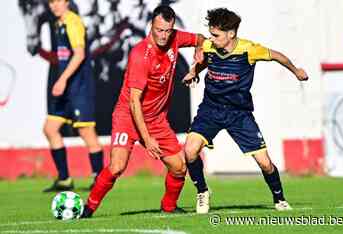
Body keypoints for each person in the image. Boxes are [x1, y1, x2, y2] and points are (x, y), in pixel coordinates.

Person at [80, 5, 205, 218]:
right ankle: (88, 209)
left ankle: (168, 207)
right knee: (117, 167)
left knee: (178, 166)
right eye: (159, 30)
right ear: (151, 26)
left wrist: (198, 50)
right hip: (127, 117)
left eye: (168, 30)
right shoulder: (140, 55)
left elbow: (201, 38)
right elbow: (134, 102)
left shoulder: (175, 38)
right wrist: (147, 139)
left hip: (156, 119)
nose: (164, 35)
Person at [182, 8, 308, 214]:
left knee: (265, 164)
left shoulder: (249, 49)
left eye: (216, 35)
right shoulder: (209, 46)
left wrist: (296, 71)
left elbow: (278, 56)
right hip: (210, 109)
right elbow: (205, 60)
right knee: (189, 151)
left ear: (231, 34)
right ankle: (202, 192)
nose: (211, 40)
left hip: (238, 113)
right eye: (211, 34)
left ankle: (279, 199)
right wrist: (193, 72)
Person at [43, 0, 104, 192]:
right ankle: (64, 179)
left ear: (67, 2)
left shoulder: (73, 22)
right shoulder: (58, 23)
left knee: (86, 132)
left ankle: (99, 179)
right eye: (51, 2)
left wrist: (61, 80)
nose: (54, 6)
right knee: (50, 129)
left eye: (58, 1)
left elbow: (79, 54)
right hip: (66, 89)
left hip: (79, 88)